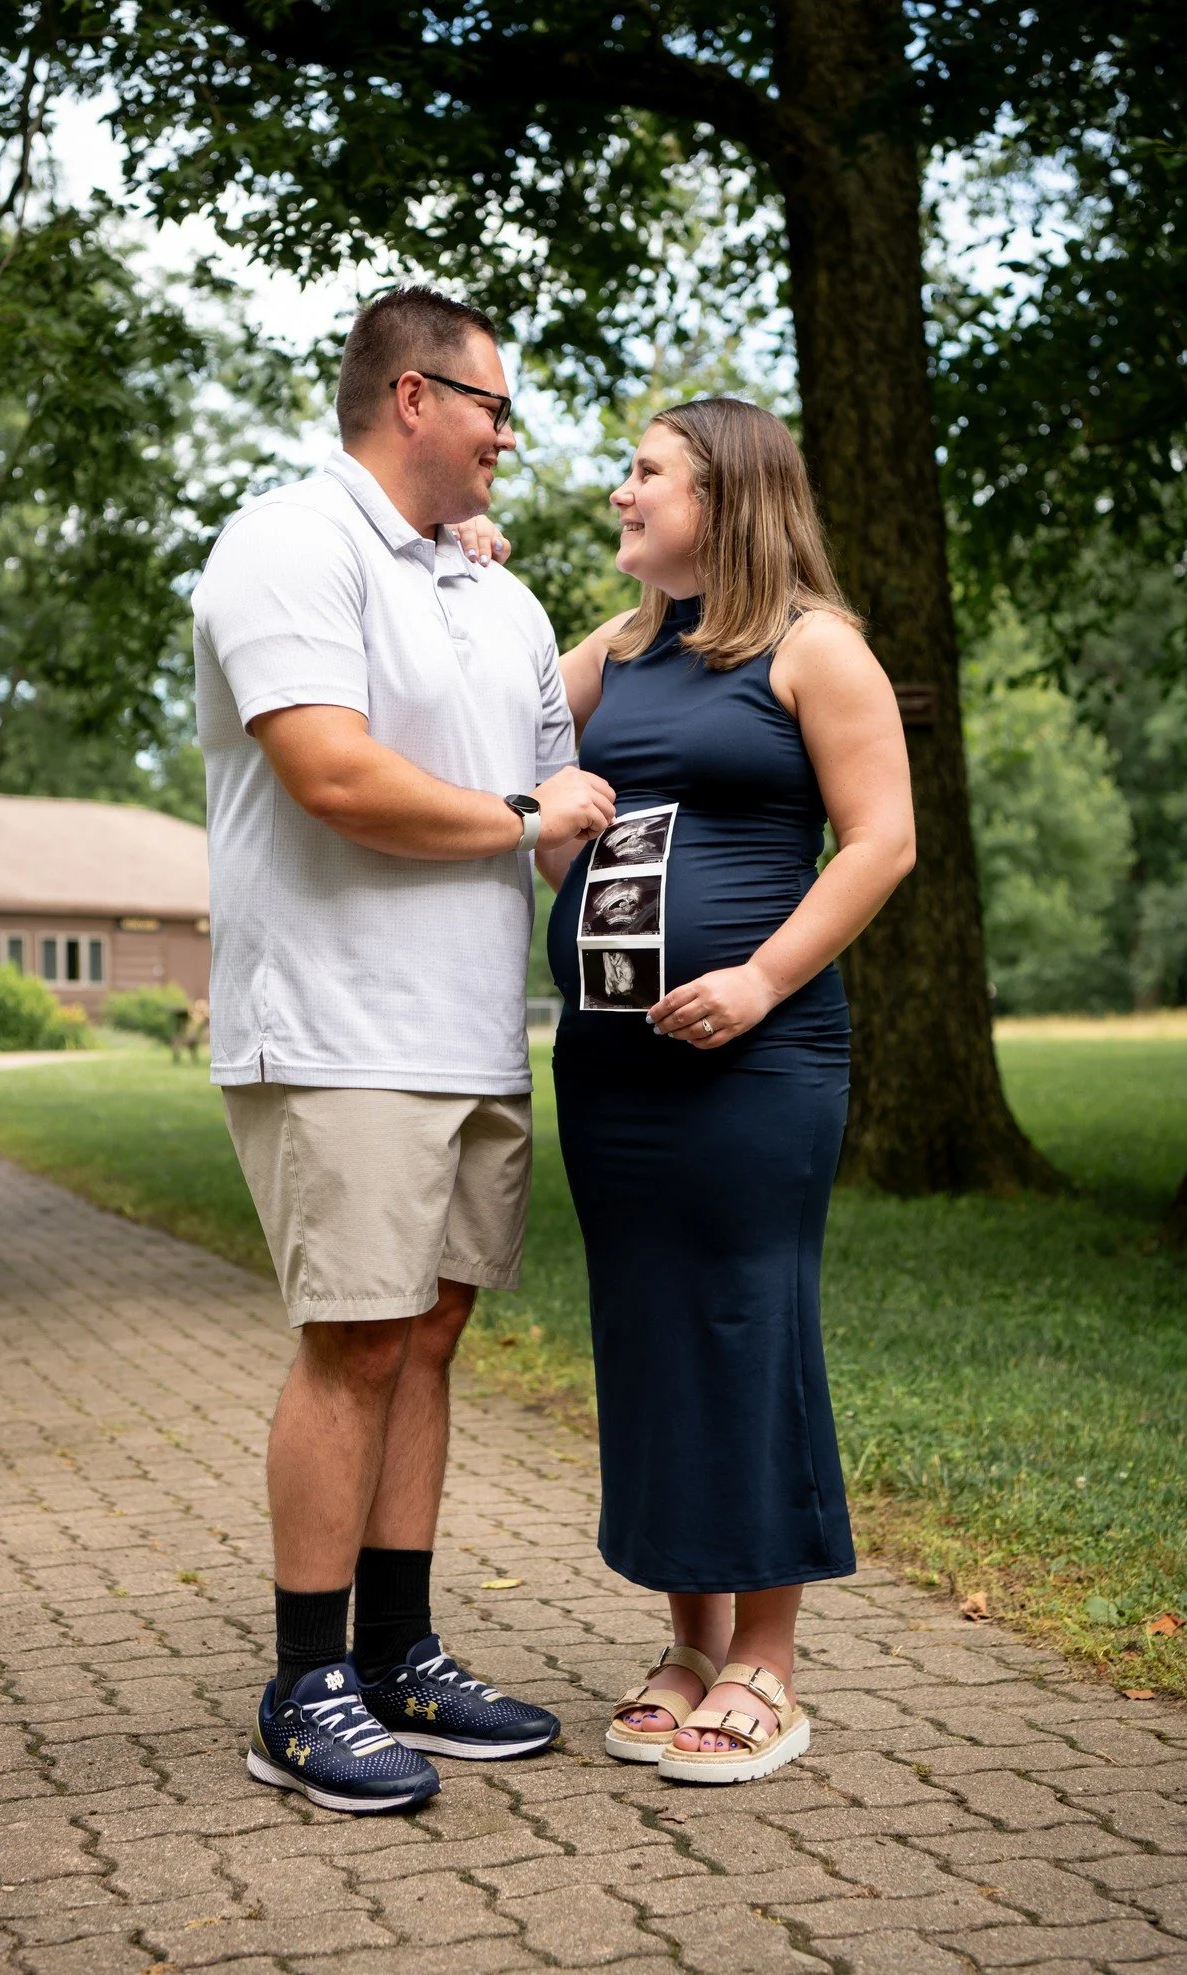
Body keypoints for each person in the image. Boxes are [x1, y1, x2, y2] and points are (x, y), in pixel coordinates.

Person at [192, 284, 617, 1813]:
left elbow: (571, 812)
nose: (513, 437)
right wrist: (518, 819)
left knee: (429, 1337)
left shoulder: (496, 596)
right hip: (337, 1023)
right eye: (499, 407)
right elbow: (333, 774)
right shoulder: (287, 544)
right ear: (419, 399)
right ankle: (302, 1686)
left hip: (470, 1029)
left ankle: (399, 1654)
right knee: (355, 1339)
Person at [540, 397, 915, 1784]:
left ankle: (771, 1661)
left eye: (647, 473)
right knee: (645, 1331)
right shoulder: (618, 656)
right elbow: (507, 757)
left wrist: (757, 980)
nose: (622, 491)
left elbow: (881, 843)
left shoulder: (817, 650)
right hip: (615, 1061)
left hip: (759, 1055)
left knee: (746, 1318)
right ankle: (689, 1642)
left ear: (727, 498)